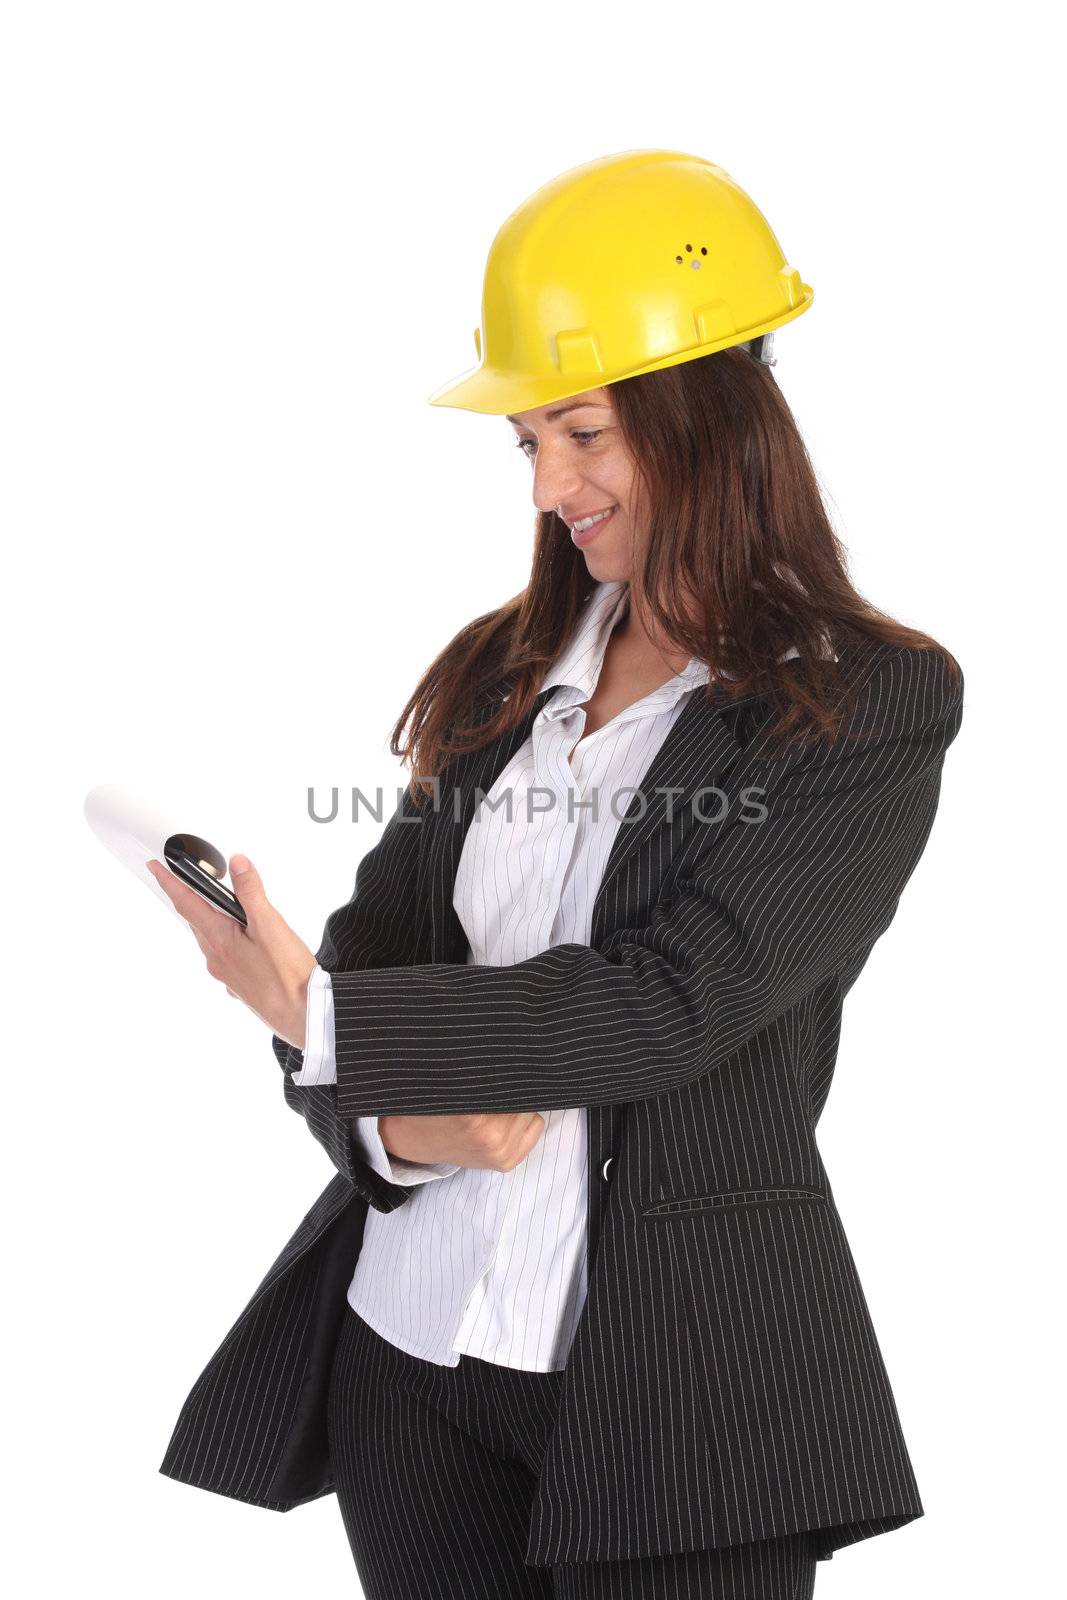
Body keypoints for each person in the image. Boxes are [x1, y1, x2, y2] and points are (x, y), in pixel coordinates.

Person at [151, 150, 964, 1599]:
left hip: (681, 1390)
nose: (550, 486)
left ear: (711, 418)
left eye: (582, 433)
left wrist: (323, 1023)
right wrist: (397, 1130)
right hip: (412, 1354)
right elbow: (376, 959)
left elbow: (674, 1002)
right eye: (526, 442)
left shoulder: (866, 702)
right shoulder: (505, 669)